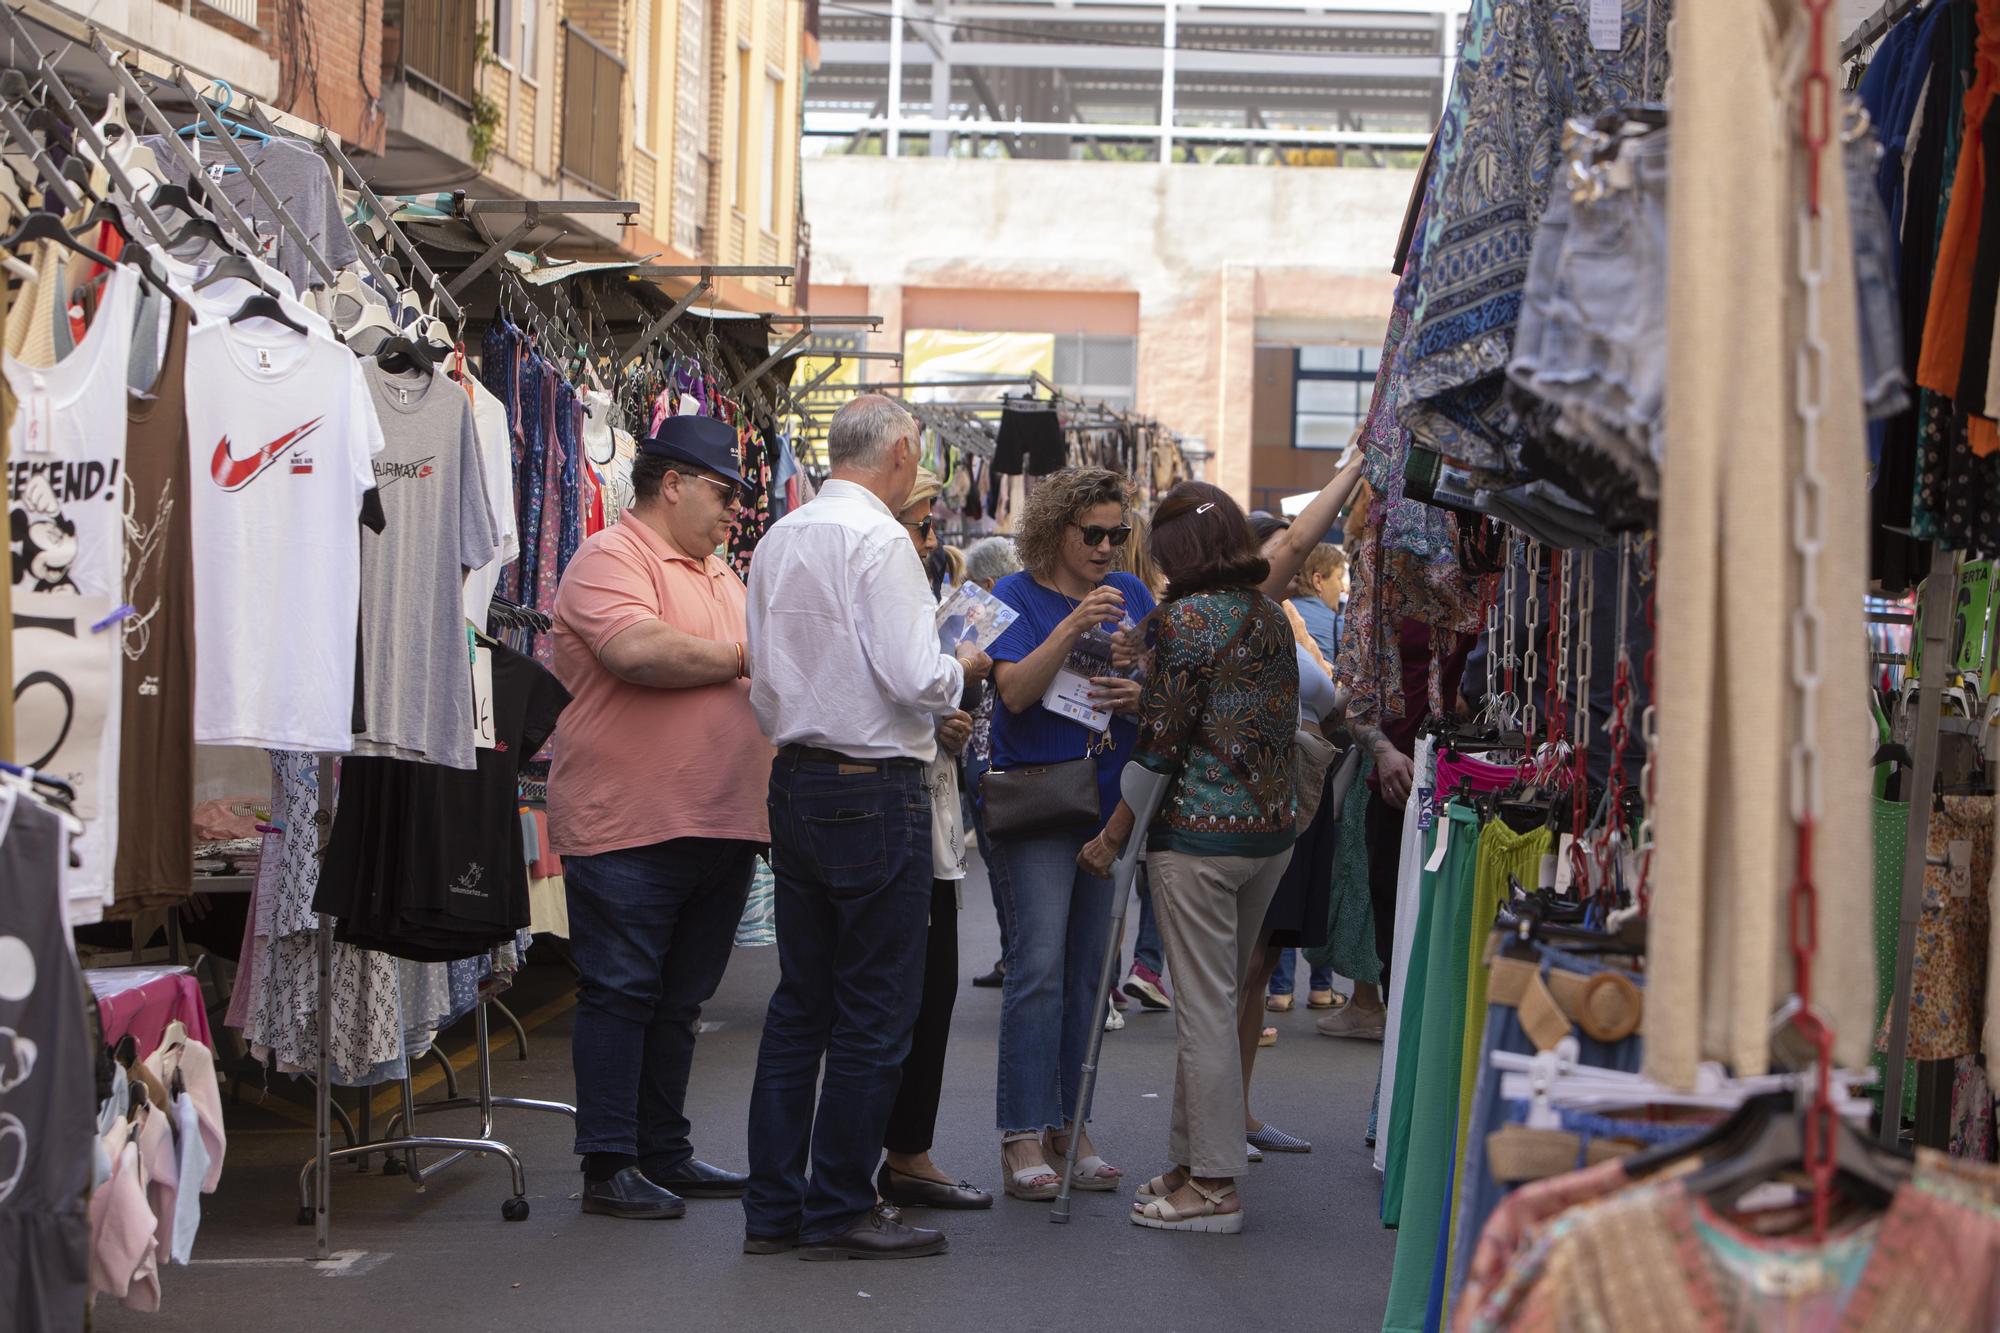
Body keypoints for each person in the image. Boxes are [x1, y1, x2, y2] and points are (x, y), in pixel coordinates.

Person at [743, 394, 991, 1260]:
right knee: (875, 1011)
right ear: (897, 451)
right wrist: (959, 665)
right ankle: (839, 1203)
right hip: (871, 782)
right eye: (915, 453)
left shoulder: (781, 536)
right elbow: (915, 676)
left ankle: (775, 1206)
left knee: (801, 1006)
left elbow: (765, 683)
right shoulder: (882, 539)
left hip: (800, 776)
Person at [548, 414, 774, 1219]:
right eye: (724, 492)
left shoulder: (721, 576)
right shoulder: (613, 554)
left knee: (679, 1000)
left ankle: (662, 1151)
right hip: (633, 824)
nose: (736, 511)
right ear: (671, 483)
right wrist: (753, 655)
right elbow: (637, 652)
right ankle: (609, 1162)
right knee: (621, 991)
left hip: (719, 822)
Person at [1077, 482, 1301, 1234]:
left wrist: (1113, 832)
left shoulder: (1182, 621)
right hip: (1267, 833)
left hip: (1200, 839)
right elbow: (1238, 715)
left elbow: (1163, 745)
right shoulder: (1270, 615)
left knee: (1201, 1010)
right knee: (1218, 1001)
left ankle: (1212, 1185)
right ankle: (1187, 1163)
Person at [985, 468, 1154, 1201]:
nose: (1109, 547)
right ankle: (1022, 1130)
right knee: (1039, 966)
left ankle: (1071, 1124)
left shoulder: (1138, 597)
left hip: (1108, 802)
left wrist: (1136, 692)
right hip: (1036, 800)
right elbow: (1015, 690)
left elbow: (1165, 702)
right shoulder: (1012, 596)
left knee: (1091, 972)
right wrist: (1075, 624)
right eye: (1095, 533)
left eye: (1120, 534)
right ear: (1056, 528)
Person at [877, 467, 992, 1212]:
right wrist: (956, 678)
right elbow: (896, 683)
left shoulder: (910, 580)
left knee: (932, 984)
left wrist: (948, 714)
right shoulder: (876, 571)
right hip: (886, 803)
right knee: (889, 993)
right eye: (922, 524)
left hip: (926, 800)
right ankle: (879, 1159)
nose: (931, 539)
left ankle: (905, 1150)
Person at [1109, 510, 1171, 1018]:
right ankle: (1144, 968)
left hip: (1130, 749)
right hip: (1142, 753)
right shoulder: (1141, 595)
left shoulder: (1139, 597)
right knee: (1142, 868)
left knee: (1119, 866)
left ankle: (1114, 978)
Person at [961, 535, 1023, 990]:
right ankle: (1012, 957)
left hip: (988, 759)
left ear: (986, 582)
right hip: (994, 758)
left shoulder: (987, 619)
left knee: (1005, 869)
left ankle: (1015, 958)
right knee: (1006, 869)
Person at [1289, 542, 1348, 663]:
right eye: (1339, 578)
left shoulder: (1278, 610)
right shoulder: (1337, 625)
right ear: (1318, 581)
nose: (1343, 588)